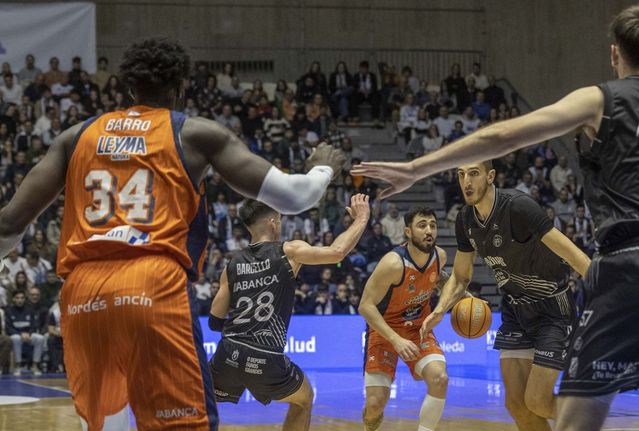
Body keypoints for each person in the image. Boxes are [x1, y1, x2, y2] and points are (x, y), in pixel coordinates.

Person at [352, 5, 639, 431]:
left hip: (635, 264)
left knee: (575, 419)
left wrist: (416, 169)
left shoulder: (601, 98)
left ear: (614, 54)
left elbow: (502, 135)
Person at [0, 37, 346, 431]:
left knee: (104, 425)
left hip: (82, 293)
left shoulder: (76, 136)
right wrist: (322, 167)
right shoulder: (194, 133)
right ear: (182, 85)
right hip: (152, 283)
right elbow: (294, 196)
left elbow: (8, 227)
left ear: (128, 87)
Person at [421, 160, 589, 431]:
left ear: (491, 176)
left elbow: (571, 253)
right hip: (514, 309)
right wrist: (440, 310)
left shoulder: (518, 206)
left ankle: (590, 415)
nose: (466, 181)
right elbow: (462, 277)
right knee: (516, 404)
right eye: (461, 174)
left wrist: (607, 295)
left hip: (552, 308)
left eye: (473, 173)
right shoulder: (465, 220)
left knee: (537, 400)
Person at [208, 194, 370, 431]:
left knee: (200, 400)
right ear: (274, 222)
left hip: (228, 351)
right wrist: (362, 218)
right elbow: (337, 251)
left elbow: (214, 321)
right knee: (304, 399)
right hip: (265, 355)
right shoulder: (289, 251)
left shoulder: (231, 264)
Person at [359, 206, 449, 431]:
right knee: (375, 404)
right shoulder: (392, 264)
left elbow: (440, 278)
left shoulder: (440, 256)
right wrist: (395, 340)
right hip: (384, 330)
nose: (429, 230)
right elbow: (365, 306)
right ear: (408, 232)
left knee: (440, 379)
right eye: (422, 225)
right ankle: (369, 424)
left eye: (433, 225)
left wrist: (462, 295)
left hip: (418, 329)